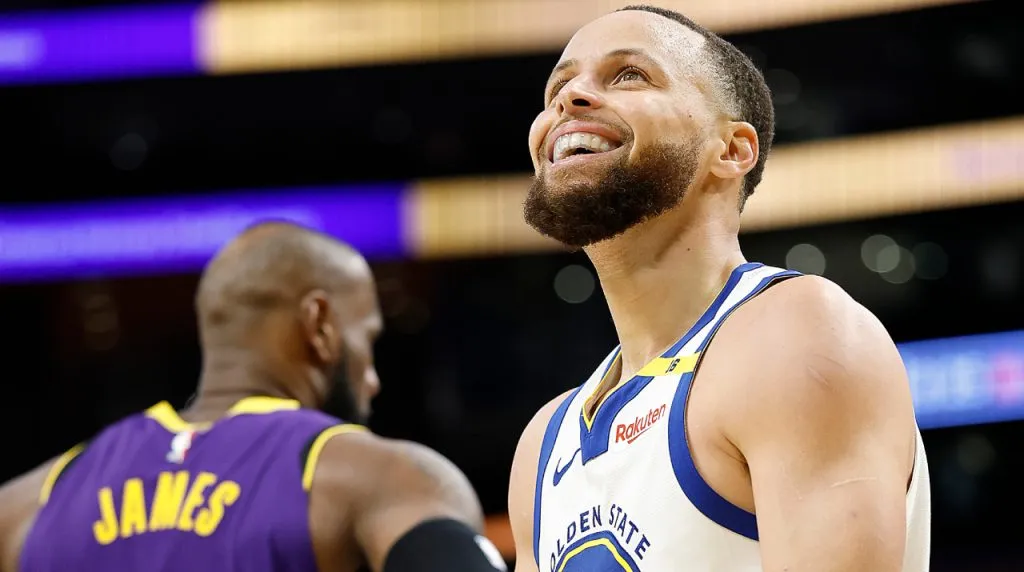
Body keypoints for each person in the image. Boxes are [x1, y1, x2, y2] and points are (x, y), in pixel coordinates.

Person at [508, 5, 930, 572]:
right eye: (558, 86)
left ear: (731, 150)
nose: (569, 98)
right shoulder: (542, 445)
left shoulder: (797, 334)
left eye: (629, 75)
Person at [0, 221, 508, 572]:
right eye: (368, 341)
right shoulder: (380, 477)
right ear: (321, 325)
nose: (371, 378)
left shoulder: (27, 503)